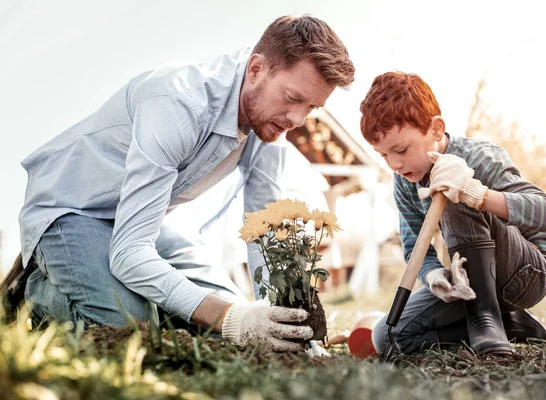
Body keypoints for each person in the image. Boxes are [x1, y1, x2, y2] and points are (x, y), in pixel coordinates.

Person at [7, 15, 355, 352]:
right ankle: (33, 290)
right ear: (256, 69)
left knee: (231, 328)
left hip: (140, 221)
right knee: (130, 325)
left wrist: (285, 323)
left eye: (311, 108)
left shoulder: (271, 128)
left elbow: (262, 235)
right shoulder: (178, 104)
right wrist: (229, 317)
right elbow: (130, 254)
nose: (297, 120)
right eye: (293, 98)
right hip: (70, 211)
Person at [359, 72, 546, 356]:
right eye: (384, 155)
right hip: (475, 281)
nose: (394, 164)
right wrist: (433, 275)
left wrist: (476, 194)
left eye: (401, 149)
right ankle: (511, 324)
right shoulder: (405, 179)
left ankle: (485, 319)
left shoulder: (481, 156)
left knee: (449, 183)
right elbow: (414, 247)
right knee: (387, 337)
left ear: (436, 129)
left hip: (528, 272)